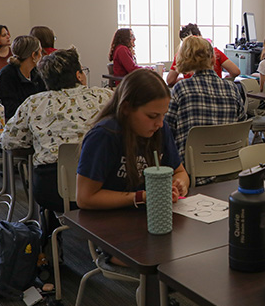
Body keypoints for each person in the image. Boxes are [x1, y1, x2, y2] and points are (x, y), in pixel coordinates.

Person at [2, 48, 113, 241]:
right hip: (104, 181)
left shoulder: (33, 103)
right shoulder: (106, 97)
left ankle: (51, 241)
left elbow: (8, 141)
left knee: (45, 183)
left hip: (53, 189)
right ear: (79, 75)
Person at [76, 69, 189, 210]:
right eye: (152, 116)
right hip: (108, 220)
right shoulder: (104, 135)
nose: (159, 123)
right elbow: (85, 198)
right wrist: (141, 197)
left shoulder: (160, 130)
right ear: (126, 108)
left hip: (144, 215)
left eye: (163, 115)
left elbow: (180, 172)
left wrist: (179, 183)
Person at [166, 34, 247, 166]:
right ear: (213, 58)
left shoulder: (181, 89)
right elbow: (241, 127)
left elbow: (168, 130)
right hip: (229, 166)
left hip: (193, 170)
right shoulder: (232, 89)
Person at [167, 23, 240, 86]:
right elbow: (235, 71)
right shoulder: (214, 52)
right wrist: (223, 80)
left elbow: (170, 81)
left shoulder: (181, 55)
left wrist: (183, 80)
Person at [0, 35, 46, 119]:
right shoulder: (6, 75)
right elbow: (7, 108)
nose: (41, 56)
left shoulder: (37, 73)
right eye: (40, 52)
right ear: (33, 55)